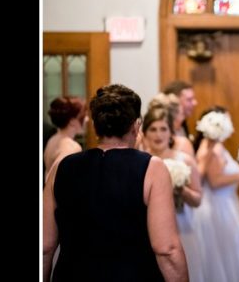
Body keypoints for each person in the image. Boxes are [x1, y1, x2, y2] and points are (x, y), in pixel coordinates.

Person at [43, 84, 188, 282]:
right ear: (137, 126)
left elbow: (44, 247)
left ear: (95, 126)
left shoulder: (60, 168)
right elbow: (167, 249)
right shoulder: (151, 168)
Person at [140, 106, 203, 282]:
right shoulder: (139, 161)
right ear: (144, 133)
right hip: (147, 229)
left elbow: (198, 200)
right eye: (153, 129)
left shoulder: (185, 160)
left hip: (182, 226)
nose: (158, 135)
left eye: (163, 129)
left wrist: (180, 189)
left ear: (171, 133)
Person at [193, 107, 239, 282]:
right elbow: (216, 181)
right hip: (217, 208)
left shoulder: (215, 146)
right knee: (223, 254)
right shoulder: (211, 148)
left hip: (224, 205)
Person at [43, 96, 86, 177]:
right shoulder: (72, 148)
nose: (86, 119)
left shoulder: (53, 139)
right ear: (72, 121)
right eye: (83, 116)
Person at [162, 80, 197, 146]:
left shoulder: (183, 124)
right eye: (189, 99)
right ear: (174, 100)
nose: (195, 103)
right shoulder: (163, 128)